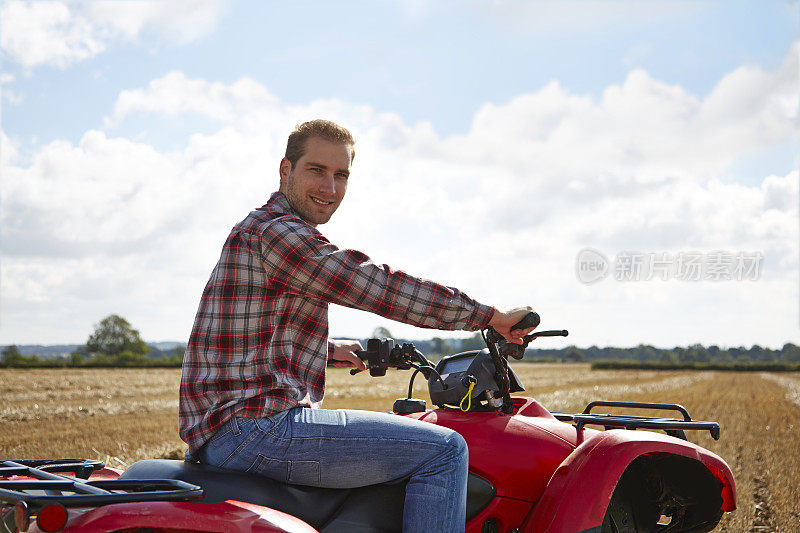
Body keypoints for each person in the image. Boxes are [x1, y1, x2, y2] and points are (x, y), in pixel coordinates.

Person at [178, 119, 536, 532]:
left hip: (226, 431)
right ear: (285, 170)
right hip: (258, 430)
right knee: (446, 450)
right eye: (316, 170)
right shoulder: (280, 234)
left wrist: (329, 350)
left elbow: (246, 332)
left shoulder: (257, 229)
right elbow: (375, 286)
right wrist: (488, 316)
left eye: (340, 175)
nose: (329, 188)